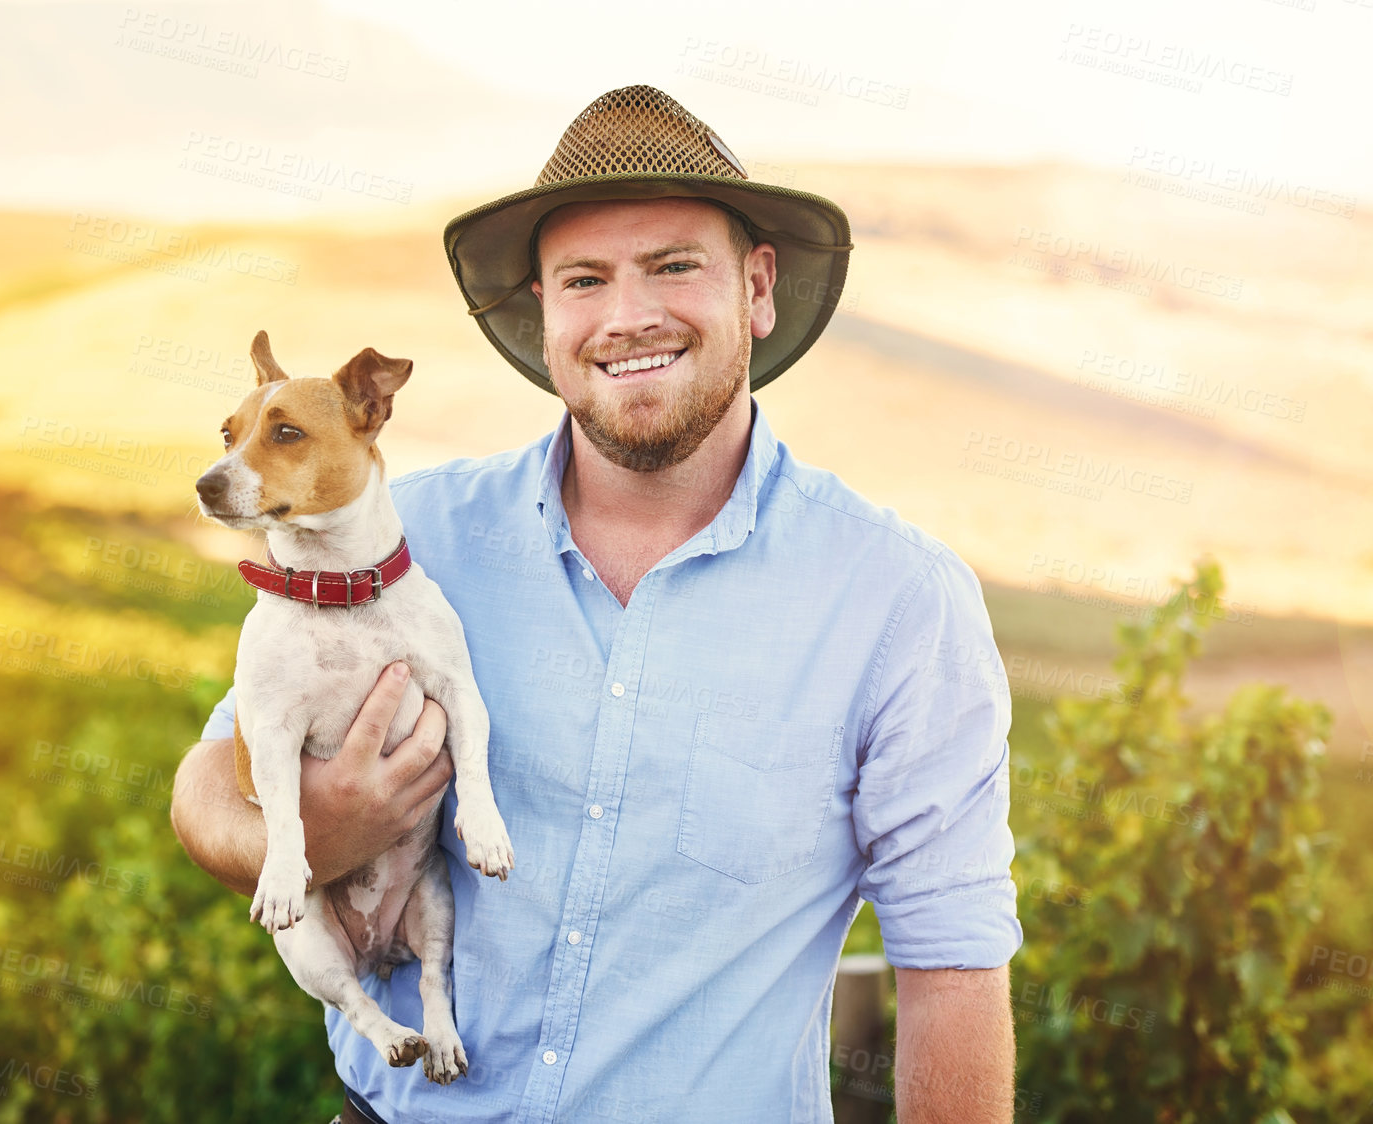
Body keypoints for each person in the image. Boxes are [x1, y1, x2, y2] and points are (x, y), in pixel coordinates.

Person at [170, 85, 1021, 1124]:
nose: (627, 316)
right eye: (585, 278)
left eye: (672, 265)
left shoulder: (897, 601)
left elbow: (952, 967)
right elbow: (210, 783)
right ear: (543, 309)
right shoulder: (400, 538)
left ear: (756, 288)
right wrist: (314, 832)